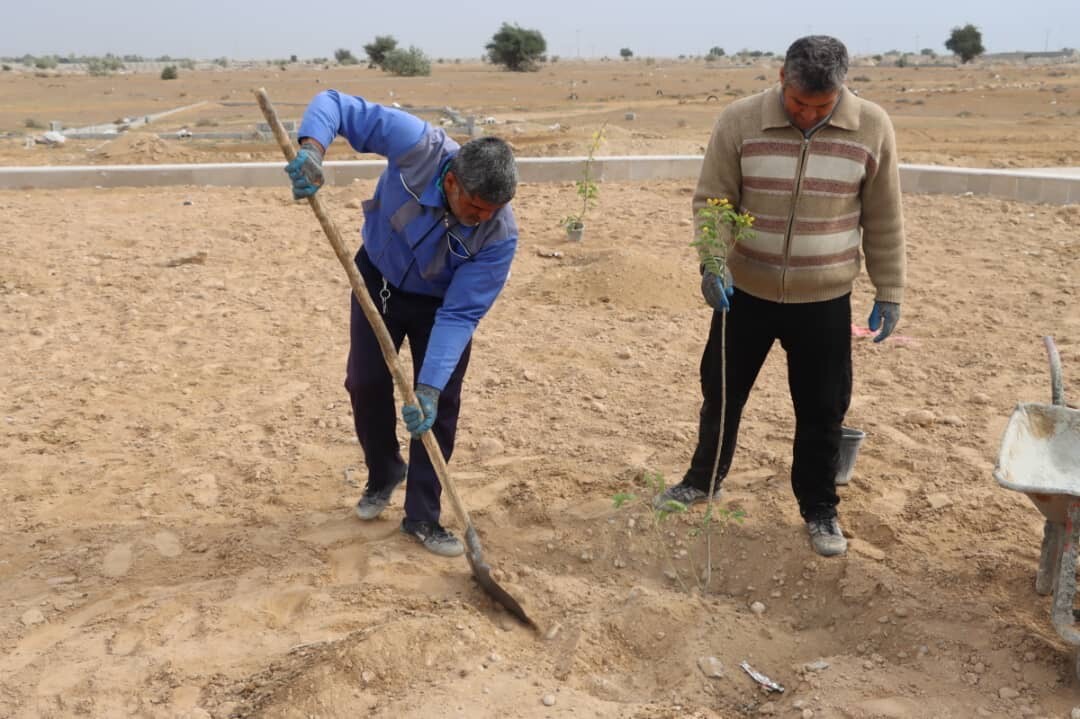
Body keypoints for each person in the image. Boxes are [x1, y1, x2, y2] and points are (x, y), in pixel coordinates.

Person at [653, 36, 906, 557]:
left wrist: (890, 288)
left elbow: (884, 216)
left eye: (821, 105)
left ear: (841, 89)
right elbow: (713, 201)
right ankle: (703, 480)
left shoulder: (872, 127)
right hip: (745, 291)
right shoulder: (740, 121)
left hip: (825, 297)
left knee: (822, 409)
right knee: (721, 392)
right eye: (797, 102)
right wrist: (713, 262)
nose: (807, 113)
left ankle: (819, 508)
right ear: (780, 77)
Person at [285, 90, 518, 558]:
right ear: (450, 180)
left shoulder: (498, 234)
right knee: (365, 382)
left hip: (440, 308)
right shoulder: (418, 145)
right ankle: (385, 470)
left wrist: (428, 387)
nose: (481, 220)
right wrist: (312, 150)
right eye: (474, 208)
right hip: (378, 279)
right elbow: (336, 104)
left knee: (438, 408)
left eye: (491, 212)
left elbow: (461, 314)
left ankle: (423, 517)